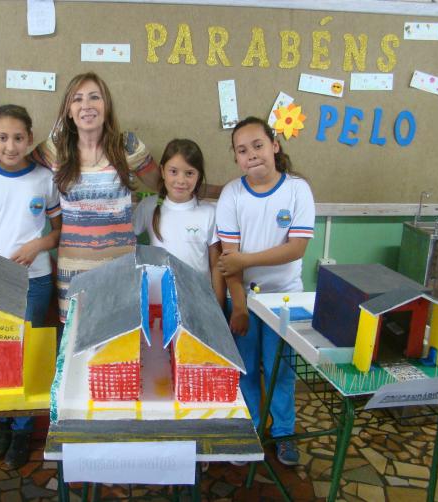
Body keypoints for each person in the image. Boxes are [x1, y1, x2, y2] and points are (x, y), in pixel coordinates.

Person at [216, 116, 315, 466]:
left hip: (284, 300)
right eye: (242, 150)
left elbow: (296, 248)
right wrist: (240, 308)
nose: (252, 155)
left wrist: (246, 259)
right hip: (243, 298)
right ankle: (251, 431)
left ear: (274, 145)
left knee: (279, 371)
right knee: (244, 370)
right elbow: (229, 262)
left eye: (258, 145)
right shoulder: (232, 193)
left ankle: (284, 433)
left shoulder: (297, 189)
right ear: (236, 158)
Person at [0, 104, 62, 469]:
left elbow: (60, 232)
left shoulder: (44, 180)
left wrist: (38, 245)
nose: (10, 146)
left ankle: (23, 430)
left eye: (18, 138)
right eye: (3, 137)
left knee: (27, 354)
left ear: (30, 139)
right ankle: (0, 424)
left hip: (34, 280)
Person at [32, 72, 159, 322]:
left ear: (106, 105)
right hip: (74, 273)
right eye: (77, 99)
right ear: (69, 111)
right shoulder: (55, 148)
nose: (86, 105)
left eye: (94, 97)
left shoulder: (126, 146)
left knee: (121, 340)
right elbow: (16, 171)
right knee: (76, 343)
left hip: (121, 269)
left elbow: (164, 184)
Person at [133, 138, 224, 306]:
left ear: (199, 176)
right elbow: (126, 244)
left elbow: (216, 265)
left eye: (189, 173)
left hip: (199, 301)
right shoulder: (148, 207)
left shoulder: (209, 212)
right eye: (173, 171)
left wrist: (219, 308)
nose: (181, 180)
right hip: (158, 301)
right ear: (162, 171)